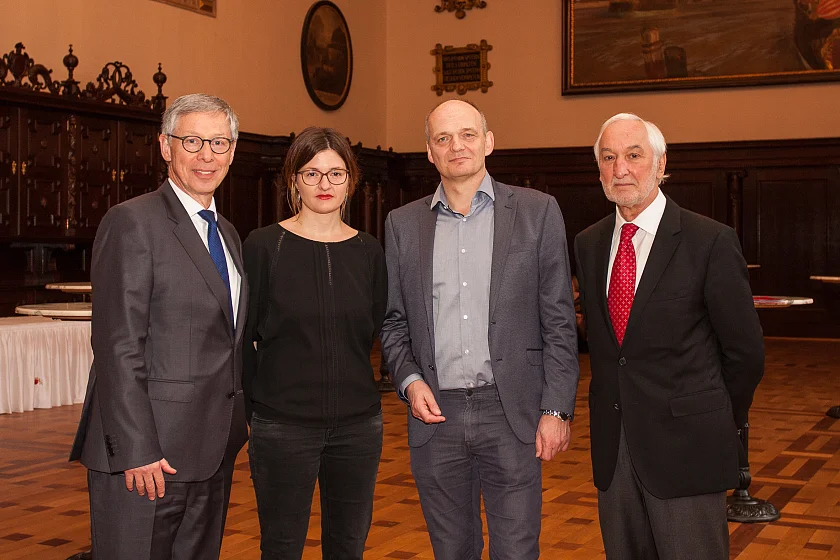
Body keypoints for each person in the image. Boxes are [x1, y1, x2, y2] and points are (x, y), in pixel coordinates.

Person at [380, 99, 580, 559]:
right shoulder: (402, 224)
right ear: (429, 151)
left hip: (511, 412)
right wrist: (409, 382)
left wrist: (557, 409)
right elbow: (393, 321)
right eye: (443, 138)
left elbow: (559, 320)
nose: (457, 147)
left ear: (488, 142)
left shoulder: (537, 212)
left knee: (516, 549)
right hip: (436, 415)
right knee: (452, 550)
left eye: (468, 134)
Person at [574, 113, 765, 559]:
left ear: (661, 165)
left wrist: (710, 417)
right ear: (599, 169)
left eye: (634, 156)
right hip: (614, 450)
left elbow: (745, 353)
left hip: (688, 449)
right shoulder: (589, 242)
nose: (621, 169)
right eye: (609, 157)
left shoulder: (709, 241)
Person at [69, 93, 248, 559]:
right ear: (166, 147)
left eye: (219, 143)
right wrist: (137, 449)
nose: (206, 155)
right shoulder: (132, 222)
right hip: (148, 457)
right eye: (192, 141)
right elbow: (117, 347)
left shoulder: (227, 232)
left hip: (211, 451)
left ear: (232, 150)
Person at [242, 127, 387, 559]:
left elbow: (375, 327)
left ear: (351, 182)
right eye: (312, 173)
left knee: (348, 546)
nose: (325, 184)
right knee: (282, 547)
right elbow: (241, 338)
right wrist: (256, 411)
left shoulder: (369, 251)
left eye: (336, 174)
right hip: (282, 426)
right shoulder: (263, 246)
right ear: (293, 180)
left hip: (359, 428)